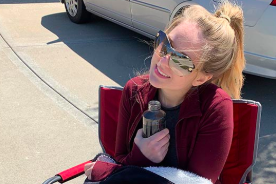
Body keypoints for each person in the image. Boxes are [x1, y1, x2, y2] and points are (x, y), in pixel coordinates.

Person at [84, 1, 245, 184]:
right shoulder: (134, 91)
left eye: (180, 60)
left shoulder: (215, 107)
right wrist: (140, 155)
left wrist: (107, 170)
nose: (162, 61)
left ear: (201, 78)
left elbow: (197, 182)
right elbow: (119, 159)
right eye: (164, 44)